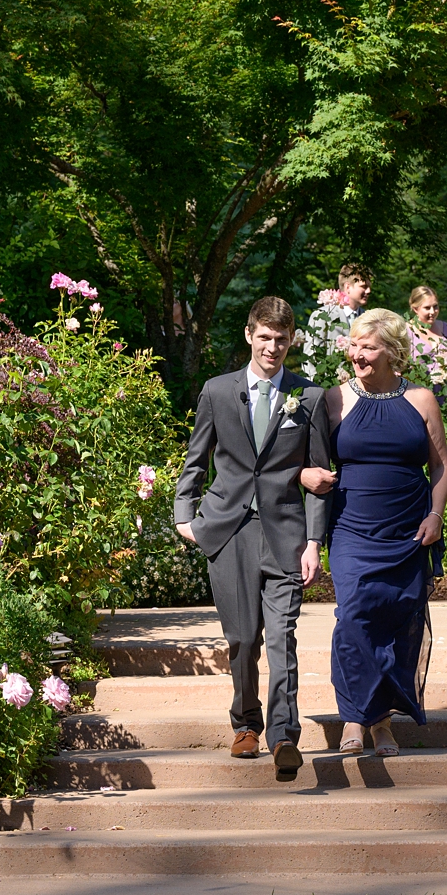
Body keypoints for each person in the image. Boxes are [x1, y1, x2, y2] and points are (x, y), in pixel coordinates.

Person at [173, 297, 330, 779]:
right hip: (228, 530)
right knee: (242, 639)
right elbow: (197, 457)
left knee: (282, 636)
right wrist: (186, 515)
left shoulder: (309, 398)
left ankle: (285, 734)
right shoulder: (219, 391)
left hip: (285, 533)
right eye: (265, 336)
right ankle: (245, 724)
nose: (273, 347)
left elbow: (321, 475)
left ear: (292, 341)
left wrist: (313, 541)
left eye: (282, 339)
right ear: (249, 335)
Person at [300, 308, 447, 757]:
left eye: (368, 347)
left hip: (408, 528)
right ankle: (353, 715)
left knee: (398, 618)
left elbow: (441, 463)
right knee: (354, 617)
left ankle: (382, 722)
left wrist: (437, 515)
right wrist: (306, 476)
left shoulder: (422, 399)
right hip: (352, 528)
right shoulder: (332, 400)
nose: (357, 355)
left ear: (391, 350)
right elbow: (304, 460)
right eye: (353, 345)